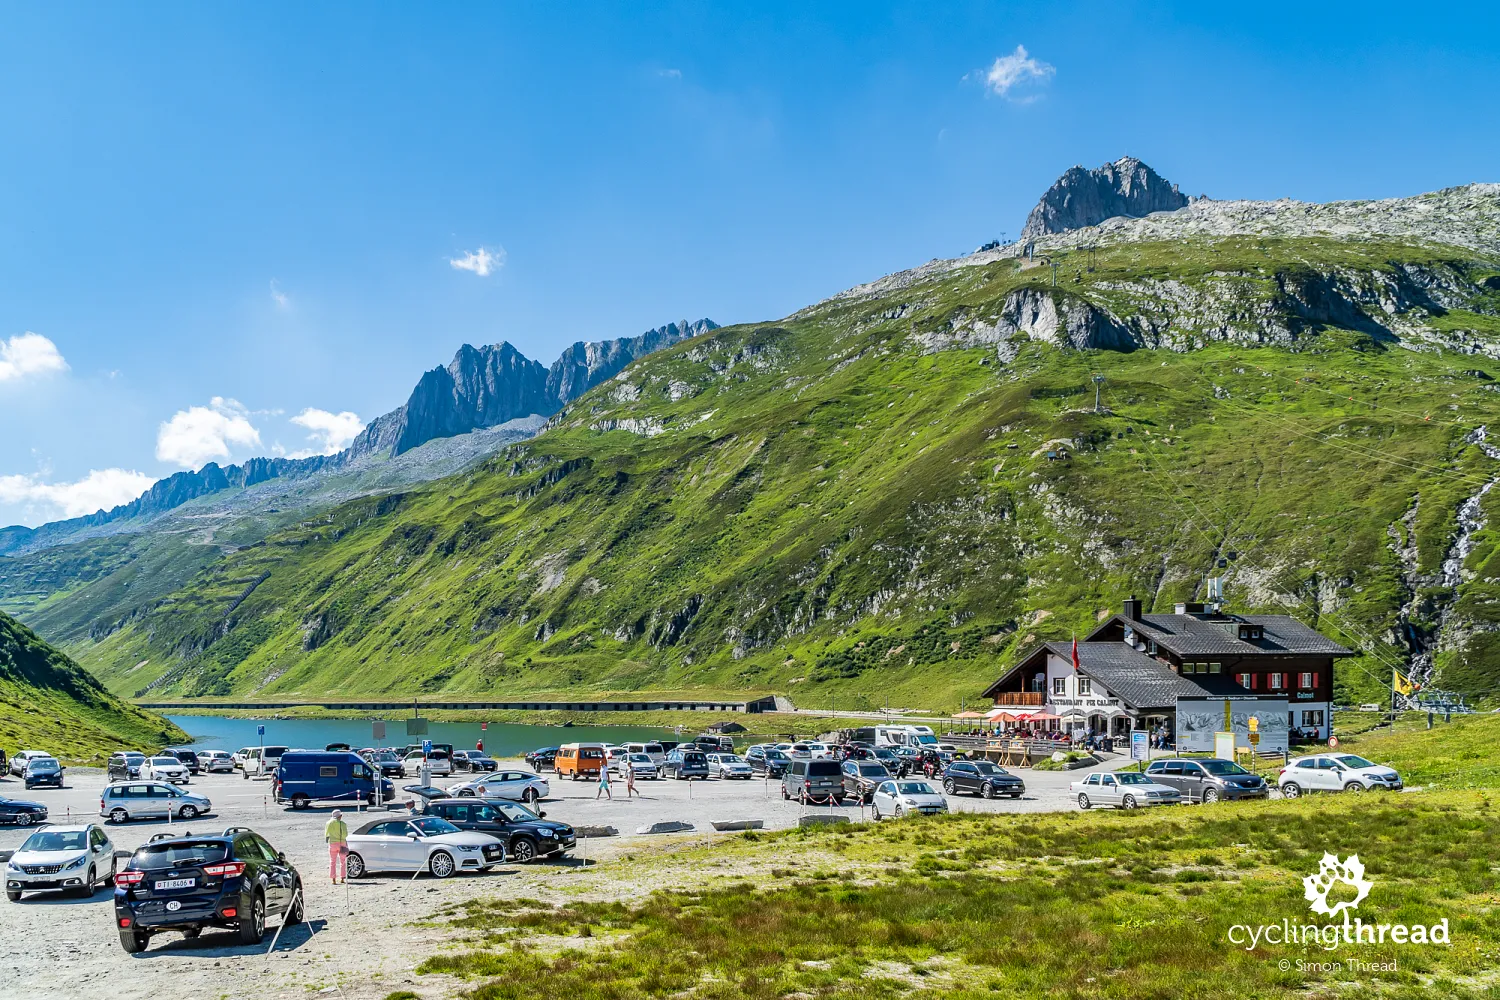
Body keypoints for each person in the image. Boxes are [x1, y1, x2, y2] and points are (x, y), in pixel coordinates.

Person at [325, 808, 349, 884]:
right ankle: (342, 878)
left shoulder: (328, 823)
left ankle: (333, 879)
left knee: (332, 861)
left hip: (332, 843)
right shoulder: (343, 824)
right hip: (342, 843)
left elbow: (326, 834)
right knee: (343, 861)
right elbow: (345, 835)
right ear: (339, 816)